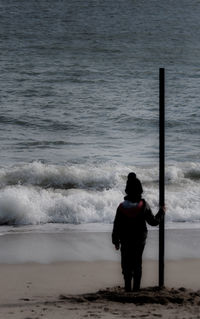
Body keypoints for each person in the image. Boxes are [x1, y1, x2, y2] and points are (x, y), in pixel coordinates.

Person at [112, 172, 165, 292]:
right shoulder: (143, 205)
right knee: (137, 263)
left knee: (126, 264)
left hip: (125, 238)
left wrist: (115, 241)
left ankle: (127, 288)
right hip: (139, 239)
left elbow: (117, 225)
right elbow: (153, 222)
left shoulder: (121, 207)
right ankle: (136, 289)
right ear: (140, 190)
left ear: (127, 190)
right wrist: (162, 211)